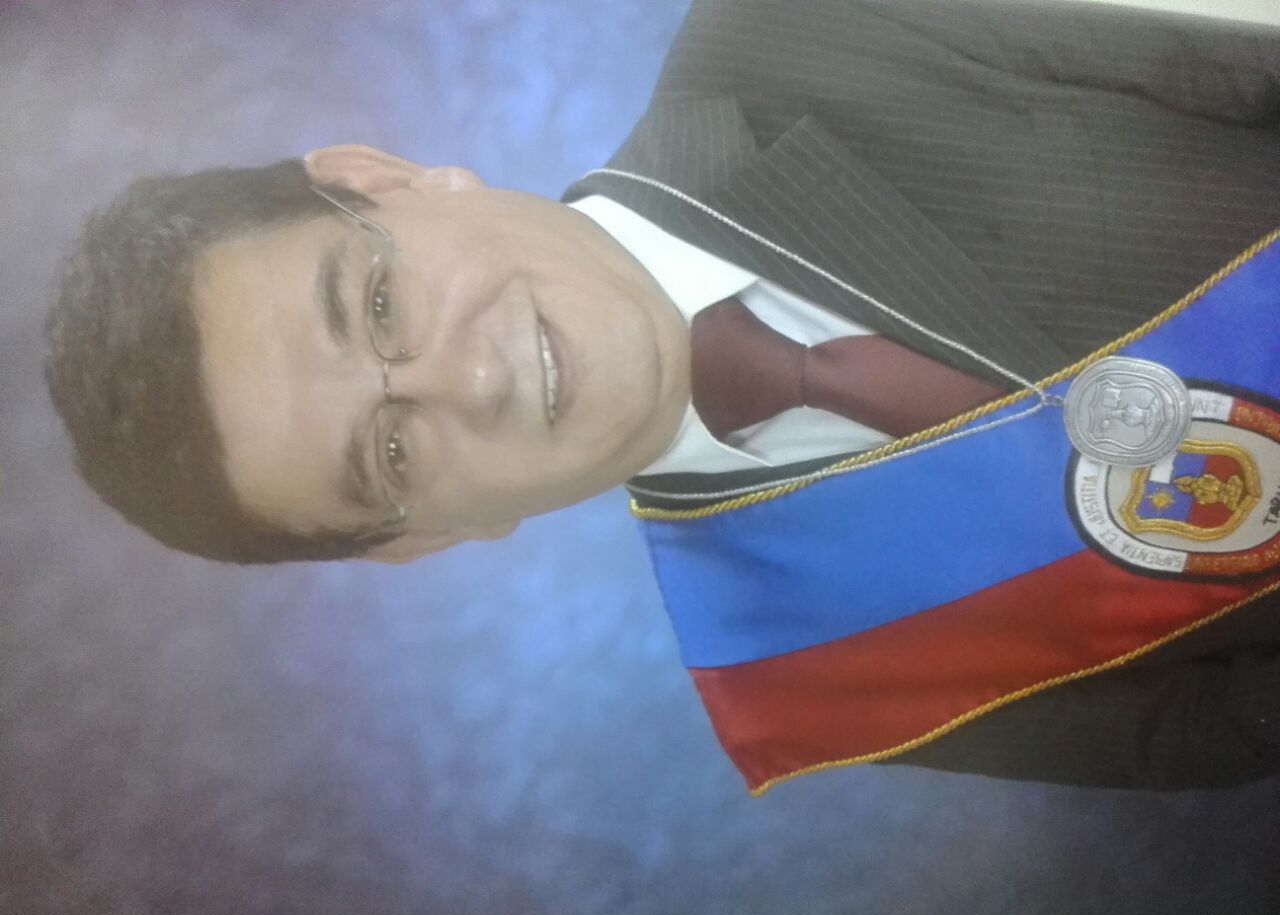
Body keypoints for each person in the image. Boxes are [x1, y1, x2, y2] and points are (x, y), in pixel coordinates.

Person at [45, 0, 1280, 790]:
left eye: (375, 303)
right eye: (390, 455)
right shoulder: (805, 657)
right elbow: (1229, 729)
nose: (467, 377)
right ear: (428, 540)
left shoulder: (804, 29)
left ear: (387, 181)